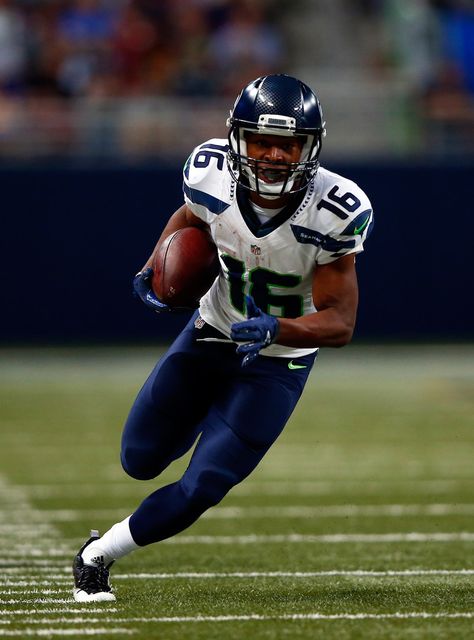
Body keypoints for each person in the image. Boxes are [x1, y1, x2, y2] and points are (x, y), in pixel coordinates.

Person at [72, 73, 374, 602]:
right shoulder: (210, 173)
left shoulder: (335, 208)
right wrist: (154, 265)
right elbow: (190, 217)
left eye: (289, 144)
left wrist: (279, 327)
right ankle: (201, 412)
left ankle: (98, 555)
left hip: (278, 359)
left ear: (312, 148)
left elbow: (340, 322)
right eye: (262, 140)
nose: (275, 155)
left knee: (205, 484)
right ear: (238, 140)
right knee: (139, 460)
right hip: (212, 329)